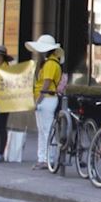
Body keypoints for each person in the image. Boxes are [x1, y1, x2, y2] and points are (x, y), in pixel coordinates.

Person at [25, 35, 64, 170]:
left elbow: (46, 83)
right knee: (44, 130)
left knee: (46, 130)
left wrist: (38, 99)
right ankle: (43, 158)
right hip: (47, 98)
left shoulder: (50, 64)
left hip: (46, 98)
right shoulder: (52, 62)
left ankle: (47, 159)